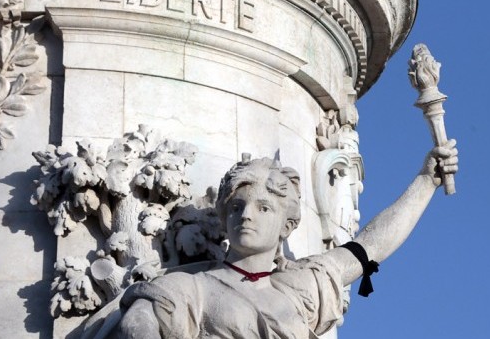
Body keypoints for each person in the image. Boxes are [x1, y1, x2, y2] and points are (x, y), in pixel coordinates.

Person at [114, 140, 458, 338]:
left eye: (264, 208)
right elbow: (137, 323)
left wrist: (425, 181)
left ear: (287, 225)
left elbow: (372, 246)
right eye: (236, 207)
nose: (246, 215)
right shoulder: (192, 288)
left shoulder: (305, 284)